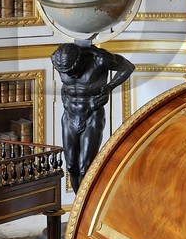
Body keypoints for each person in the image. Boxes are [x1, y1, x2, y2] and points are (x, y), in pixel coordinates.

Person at [52, 41, 134, 191]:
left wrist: (109, 87)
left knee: (85, 167)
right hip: (69, 116)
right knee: (70, 166)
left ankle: (85, 202)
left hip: (91, 116)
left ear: (79, 61)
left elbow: (128, 67)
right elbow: (66, 86)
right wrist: (65, 96)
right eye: (65, 72)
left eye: (72, 70)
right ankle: (79, 201)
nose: (69, 74)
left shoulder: (99, 59)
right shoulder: (61, 63)